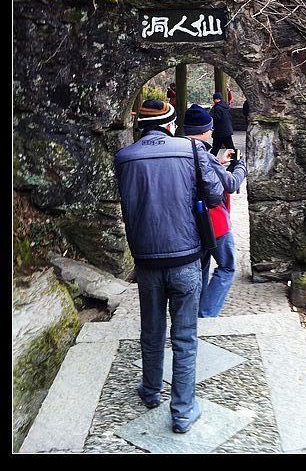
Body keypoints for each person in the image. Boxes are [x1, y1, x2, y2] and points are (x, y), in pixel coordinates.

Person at [114, 100, 224, 434]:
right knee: (185, 337)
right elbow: (215, 196)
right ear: (170, 125)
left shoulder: (124, 157)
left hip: (146, 261)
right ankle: (183, 411)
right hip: (186, 257)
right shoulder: (190, 150)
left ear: (142, 127)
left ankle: (150, 391)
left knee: (151, 330)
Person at [183, 106, 247, 317]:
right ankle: (207, 313)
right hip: (214, 220)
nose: (212, 132)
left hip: (190, 221)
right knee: (227, 266)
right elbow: (230, 184)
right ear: (204, 130)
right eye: (210, 128)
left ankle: (195, 310)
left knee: (201, 266)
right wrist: (241, 167)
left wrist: (218, 162)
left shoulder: (180, 152)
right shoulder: (204, 155)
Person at [210, 91, 235, 156]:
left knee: (215, 148)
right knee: (231, 148)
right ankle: (236, 160)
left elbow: (217, 118)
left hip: (219, 131)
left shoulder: (217, 107)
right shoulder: (226, 106)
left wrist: (211, 113)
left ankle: (209, 160)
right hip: (227, 130)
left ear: (216, 99)